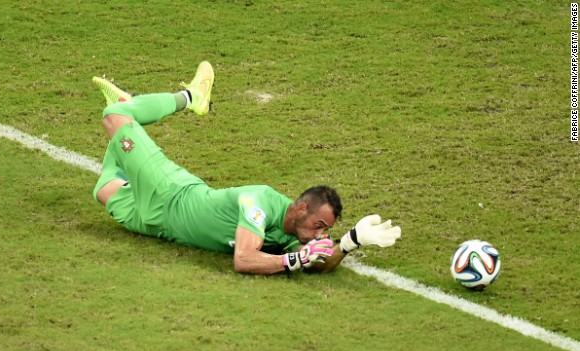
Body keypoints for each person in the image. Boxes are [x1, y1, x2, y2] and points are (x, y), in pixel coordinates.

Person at [91, 61, 401, 275]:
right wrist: (293, 260)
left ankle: (134, 110)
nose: (321, 234)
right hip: (169, 191)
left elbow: (319, 262)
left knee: (103, 189)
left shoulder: (296, 234)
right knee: (114, 116)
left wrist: (349, 242)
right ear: (300, 208)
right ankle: (191, 96)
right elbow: (244, 259)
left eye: (326, 230)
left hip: (159, 225)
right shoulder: (259, 202)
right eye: (320, 225)